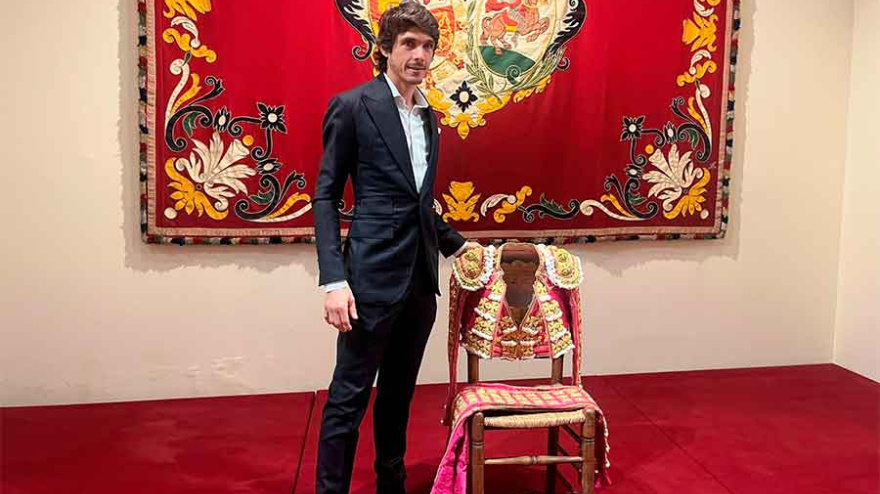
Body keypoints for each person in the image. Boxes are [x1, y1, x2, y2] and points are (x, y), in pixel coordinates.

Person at [312, 2, 479, 493]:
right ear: (385, 48)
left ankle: (392, 485)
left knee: (399, 395)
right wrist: (334, 280)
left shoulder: (430, 117)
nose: (419, 55)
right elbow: (325, 195)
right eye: (409, 44)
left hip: (418, 284)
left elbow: (415, 201)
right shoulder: (352, 106)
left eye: (427, 46)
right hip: (366, 280)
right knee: (348, 398)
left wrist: (457, 247)